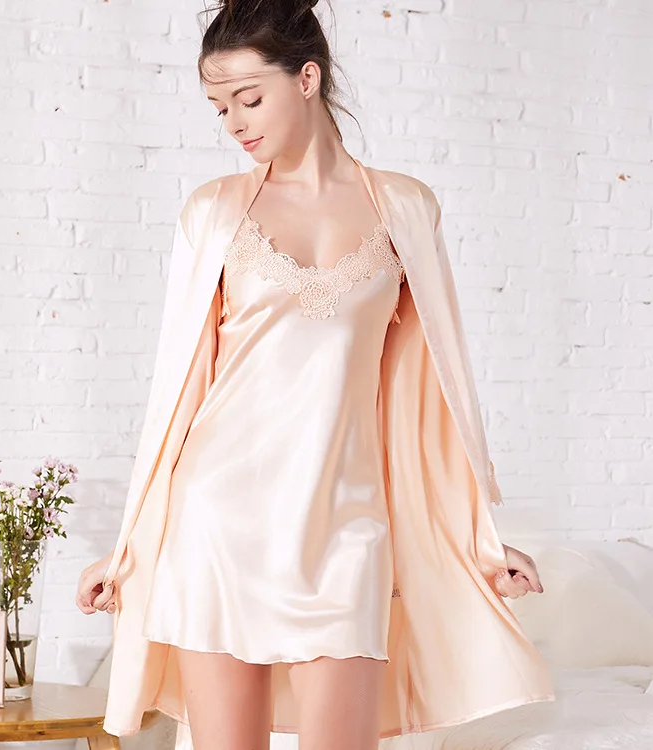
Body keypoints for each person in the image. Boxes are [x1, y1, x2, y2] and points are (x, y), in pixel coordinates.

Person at [75, 1, 555, 748]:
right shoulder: (214, 212)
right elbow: (178, 388)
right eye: (219, 107)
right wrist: (132, 540)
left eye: (248, 98)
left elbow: (431, 392)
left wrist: (478, 540)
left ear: (307, 78)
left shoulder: (405, 208)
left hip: (345, 525)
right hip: (217, 522)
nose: (234, 123)